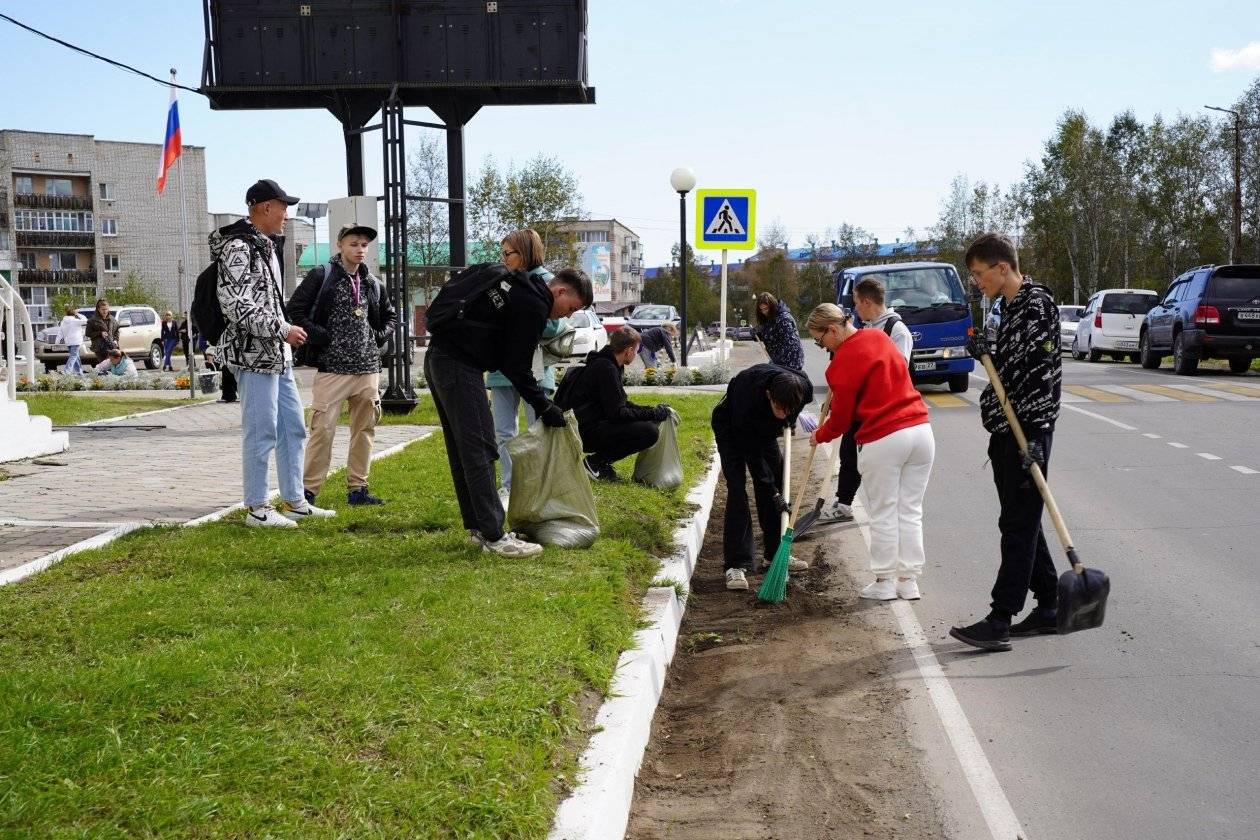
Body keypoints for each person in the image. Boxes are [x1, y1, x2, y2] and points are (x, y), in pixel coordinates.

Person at [424, 233, 593, 559]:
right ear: (559, 291)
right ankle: (494, 536)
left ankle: (477, 528)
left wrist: (542, 404)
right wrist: (545, 406)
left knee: (463, 450)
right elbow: (516, 367)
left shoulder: (519, 288)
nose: (566, 317)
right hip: (459, 367)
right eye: (570, 308)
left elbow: (505, 358)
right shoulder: (534, 304)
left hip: (440, 360)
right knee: (481, 449)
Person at [949, 233, 1062, 651]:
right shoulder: (1006, 307)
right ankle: (1050, 604)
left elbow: (1042, 376)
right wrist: (984, 351)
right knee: (1023, 520)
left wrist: (1034, 437)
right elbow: (1008, 365)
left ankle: (1000, 618)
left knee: (1017, 525)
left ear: (1001, 267)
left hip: (1027, 432)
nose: (976, 281)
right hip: (1005, 429)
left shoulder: (1036, 304)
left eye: (979, 273)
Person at [213, 178, 335, 529]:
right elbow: (236, 303)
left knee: (293, 428)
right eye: (283, 207)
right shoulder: (238, 247)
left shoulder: (264, 246)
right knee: (261, 430)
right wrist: (282, 329)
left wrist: (282, 336)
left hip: (276, 356)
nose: (286, 214)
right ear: (265, 207)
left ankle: (295, 500)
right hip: (253, 356)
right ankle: (257, 508)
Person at [808, 303, 934, 601]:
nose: (821, 346)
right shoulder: (879, 337)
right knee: (910, 509)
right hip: (920, 431)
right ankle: (908, 580)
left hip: (884, 437)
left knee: (884, 511)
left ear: (834, 329)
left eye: (819, 339)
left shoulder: (840, 363)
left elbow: (839, 421)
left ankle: (884, 581)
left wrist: (819, 435)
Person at [289, 223, 397, 507]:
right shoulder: (321, 275)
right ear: (340, 245)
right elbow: (296, 311)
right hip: (332, 369)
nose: (360, 249)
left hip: (367, 369)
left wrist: (377, 336)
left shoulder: (373, 282)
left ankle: (358, 489)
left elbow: (390, 317)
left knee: (365, 430)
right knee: (322, 430)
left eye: (364, 244)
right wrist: (322, 337)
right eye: (353, 244)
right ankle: (308, 492)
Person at [818, 278, 915, 525]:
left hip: (883, 416)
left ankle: (884, 516)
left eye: (856, 302)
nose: (855, 309)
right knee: (849, 453)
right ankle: (844, 503)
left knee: (873, 469)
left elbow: (896, 374)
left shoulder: (896, 329)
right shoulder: (867, 327)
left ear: (866, 301)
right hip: (861, 410)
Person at [711, 362, 813, 591]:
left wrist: (788, 419)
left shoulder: (802, 388)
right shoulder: (747, 394)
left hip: (765, 429)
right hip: (732, 428)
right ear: (769, 395)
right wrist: (771, 489)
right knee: (738, 489)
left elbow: (788, 412)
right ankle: (736, 564)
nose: (785, 414)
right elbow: (753, 456)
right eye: (780, 409)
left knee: (776, 483)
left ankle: (774, 553)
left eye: (790, 409)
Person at [486, 230, 564, 502]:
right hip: (501, 369)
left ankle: (539, 487)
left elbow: (557, 323)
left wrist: (522, 326)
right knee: (504, 432)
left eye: (509, 253)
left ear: (526, 252)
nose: (504, 259)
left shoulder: (547, 281)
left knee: (537, 430)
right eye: (503, 253)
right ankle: (510, 486)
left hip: (535, 369)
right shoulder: (502, 279)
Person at [556, 326, 671, 481]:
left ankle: (599, 463)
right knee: (649, 432)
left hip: (585, 425)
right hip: (583, 431)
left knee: (647, 423)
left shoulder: (607, 363)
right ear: (629, 350)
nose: (637, 354)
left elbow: (620, 403)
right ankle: (595, 463)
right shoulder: (606, 368)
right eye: (638, 350)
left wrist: (652, 411)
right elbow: (618, 413)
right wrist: (652, 414)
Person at [754, 292, 805, 370]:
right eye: (761, 310)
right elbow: (771, 335)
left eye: (766, 309)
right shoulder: (769, 319)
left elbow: (791, 343)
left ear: (772, 306)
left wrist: (777, 361)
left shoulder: (784, 319)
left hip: (791, 360)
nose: (764, 312)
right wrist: (757, 334)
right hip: (778, 359)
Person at [59, 305, 87, 374]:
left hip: (68, 342)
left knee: (76, 357)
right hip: (75, 341)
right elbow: (85, 320)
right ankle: (67, 371)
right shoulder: (75, 321)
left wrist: (58, 340)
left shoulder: (63, 321)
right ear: (73, 314)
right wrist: (78, 313)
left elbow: (60, 331)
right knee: (74, 356)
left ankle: (79, 373)